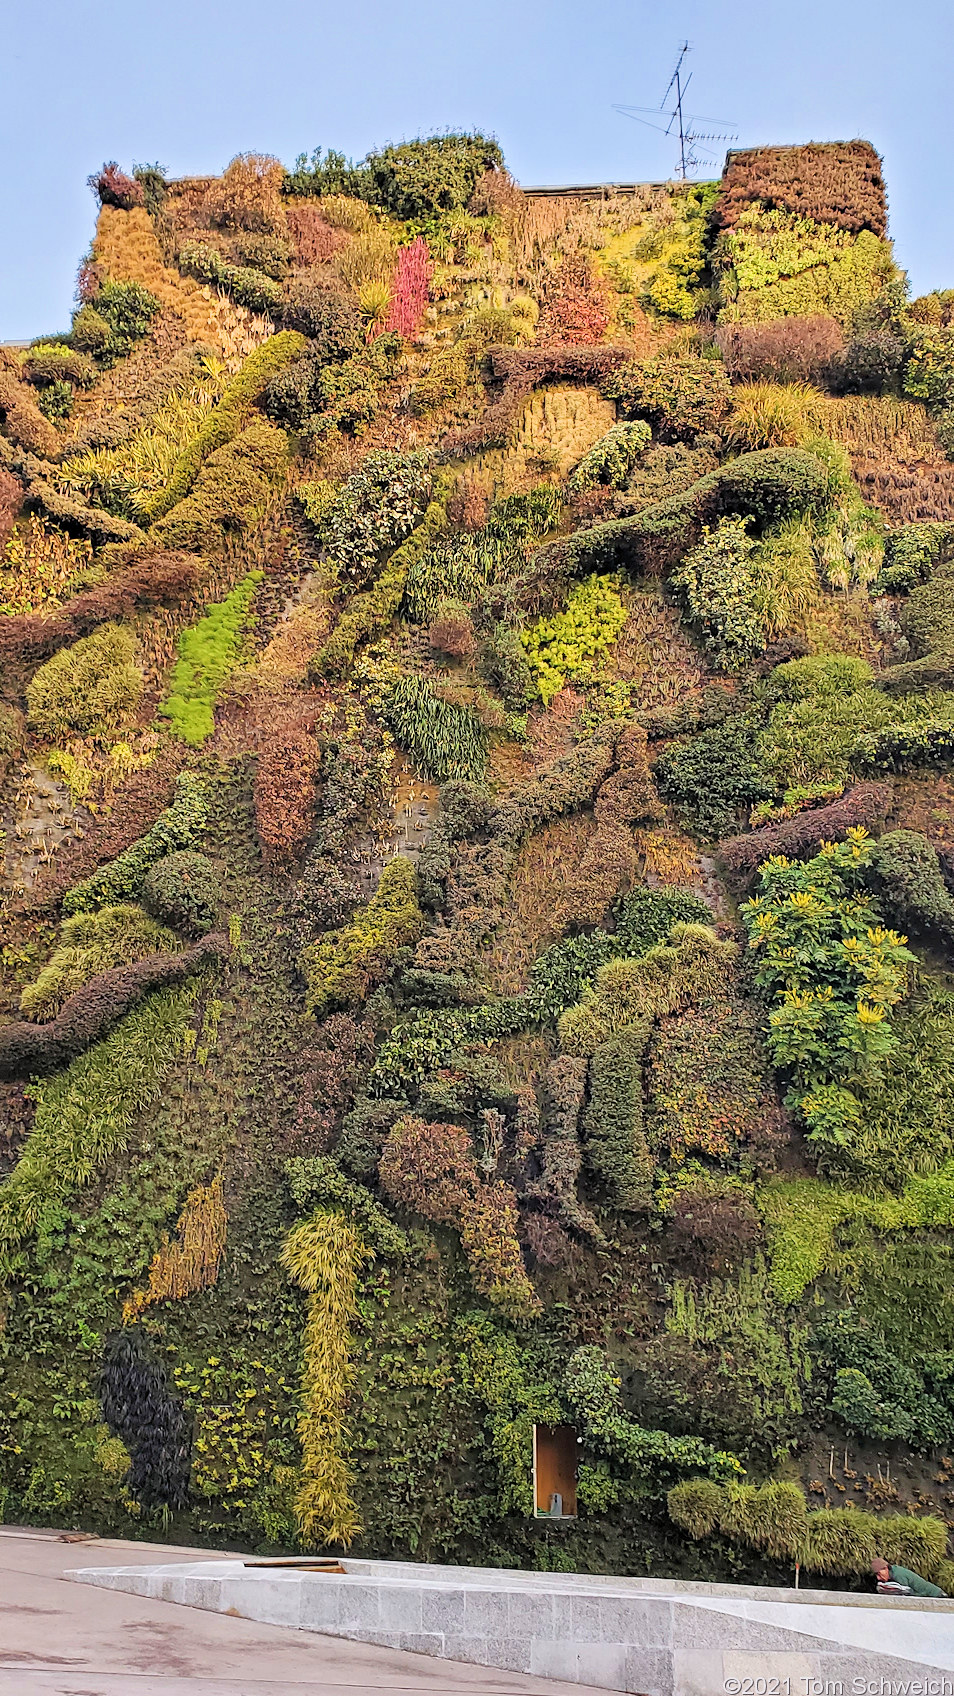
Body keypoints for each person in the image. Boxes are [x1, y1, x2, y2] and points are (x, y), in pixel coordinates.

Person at [871, 1556, 947, 1598]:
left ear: (885, 1568)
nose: (878, 1578)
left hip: (936, 1595)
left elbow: (905, 1595)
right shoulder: (892, 1573)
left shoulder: (898, 1575)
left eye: (879, 1574)